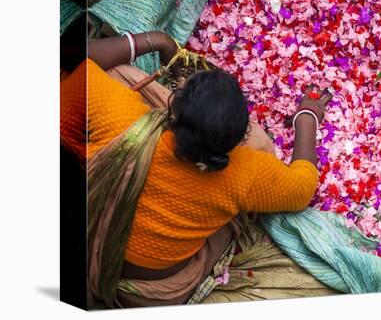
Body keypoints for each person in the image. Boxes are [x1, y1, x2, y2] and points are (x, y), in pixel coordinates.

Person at [60, 31, 332, 307]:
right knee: (261, 143)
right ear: (238, 140)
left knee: (119, 72)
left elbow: (75, 55)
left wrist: (157, 40)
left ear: (173, 111)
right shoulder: (244, 173)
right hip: (153, 292)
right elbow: (302, 188)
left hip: (89, 245)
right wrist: (307, 118)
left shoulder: (121, 120)